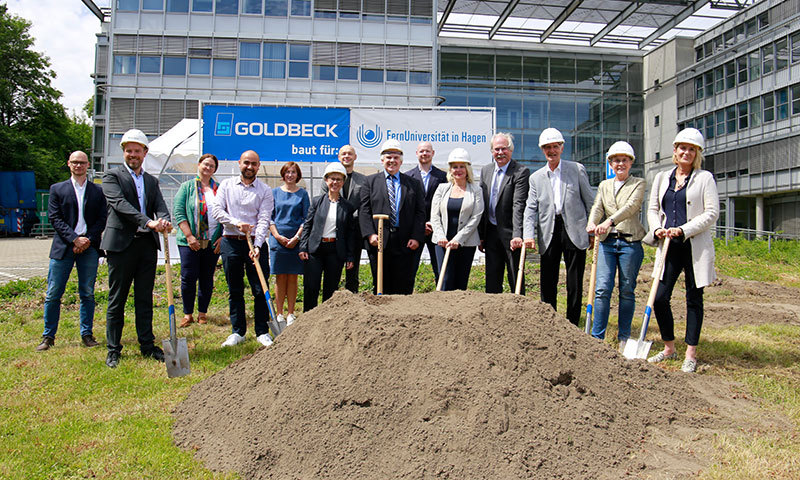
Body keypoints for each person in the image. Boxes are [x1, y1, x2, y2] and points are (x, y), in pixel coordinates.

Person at [645, 128, 719, 373]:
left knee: (693, 298)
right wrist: (657, 229)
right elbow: (653, 209)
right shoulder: (662, 177)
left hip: (693, 246)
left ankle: (690, 353)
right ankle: (669, 347)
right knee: (659, 297)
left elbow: (712, 213)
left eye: (691, 149)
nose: (686, 152)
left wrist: (683, 229)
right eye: (682, 148)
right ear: (675, 151)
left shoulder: (705, 178)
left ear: (697, 153)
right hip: (669, 246)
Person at [101, 129, 172, 368]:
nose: (133, 155)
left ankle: (147, 345)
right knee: (117, 299)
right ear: (124, 152)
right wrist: (148, 221)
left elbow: (160, 205)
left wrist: (163, 220)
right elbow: (119, 204)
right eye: (129, 151)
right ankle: (113, 349)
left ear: (145, 153)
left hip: (146, 246)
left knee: (144, 298)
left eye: (137, 151)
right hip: (121, 245)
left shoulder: (151, 181)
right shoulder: (112, 176)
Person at [37, 151, 107, 351]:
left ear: (88, 165)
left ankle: (87, 334)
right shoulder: (57, 189)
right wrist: (74, 239)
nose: (78, 166)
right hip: (64, 247)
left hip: (89, 247)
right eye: (75, 162)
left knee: (87, 293)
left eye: (82, 163)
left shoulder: (97, 191)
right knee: (53, 293)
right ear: (69, 164)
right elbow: (55, 217)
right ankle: (48, 336)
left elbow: (102, 218)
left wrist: (87, 239)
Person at [523, 128, 594, 326]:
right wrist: (528, 235)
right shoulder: (536, 178)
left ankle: (572, 323)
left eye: (555, 146)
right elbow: (530, 209)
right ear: (542, 150)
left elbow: (590, 201)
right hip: (549, 231)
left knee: (574, 281)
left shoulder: (576, 170)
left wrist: (592, 229)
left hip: (575, 230)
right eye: (547, 147)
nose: (552, 151)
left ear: (562, 148)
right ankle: (550, 323)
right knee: (547, 280)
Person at [585, 142, 646, 350]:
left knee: (627, 290)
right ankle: (597, 337)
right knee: (602, 289)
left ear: (630, 163)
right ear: (610, 164)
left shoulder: (638, 183)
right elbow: (597, 207)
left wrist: (609, 222)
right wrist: (592, 223)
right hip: (607, 243)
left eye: (624, 160)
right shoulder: (604, 185)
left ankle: (624, 337)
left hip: (629, 242)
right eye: (616, 160)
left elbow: (631, 207)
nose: (620, 164)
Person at [212, 150, 275, 348]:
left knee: (260, 288)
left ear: (258, 166)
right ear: (239, 163)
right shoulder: (226, 185)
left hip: (255, 244)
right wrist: (236, 222)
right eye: (246, 162)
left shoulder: (265, 190)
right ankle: (237, 332)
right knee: (235, 289)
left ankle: (262, 331)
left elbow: (264, 218)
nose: (250, 167)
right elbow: (217, 211)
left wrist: (257, 245)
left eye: (254, 164)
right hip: (231, 242)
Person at [359, 139, 426, 295]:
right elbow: (364, 210)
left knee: (403, 284)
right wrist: (370, 234)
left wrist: (416, 237)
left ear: (401, 161)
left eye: (396, 157)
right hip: (379, 241)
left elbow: (420, 212)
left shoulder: (413, 184)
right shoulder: (370, 182)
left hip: (405, 242)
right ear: (382, 160)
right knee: (381, 283)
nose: (392, 161)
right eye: (388, 157)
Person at [173, 153, 223, 328]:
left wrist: (221, 237)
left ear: (214, 170)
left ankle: (203, 313)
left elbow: (226, 214)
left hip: (212, 241)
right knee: (188, 277)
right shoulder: (187, 187)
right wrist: (189, 236)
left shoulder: (219, 189)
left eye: (211, 166)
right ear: (199, 165)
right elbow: (179, 212)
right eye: (205, 164)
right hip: (189, 241)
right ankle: (188, 314)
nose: (208, 168)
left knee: (207, 277)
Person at [299, 163, 357, 310]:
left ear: (343, 182)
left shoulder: (348, 207)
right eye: (332, 179)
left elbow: (350, 234)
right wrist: (303, 247)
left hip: (335, 251)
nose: (335, 182)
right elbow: (308, 225)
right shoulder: (317, 201)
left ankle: (326, 319)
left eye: (338, 179)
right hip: (316, 250)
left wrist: (350, 256)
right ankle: (308, 317)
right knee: (311, 286)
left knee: (330, 289)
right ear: (326, 180)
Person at [479, 132, 530, 293]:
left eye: (504, 149)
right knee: (492, 279)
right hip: (491, 233)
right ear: (492, 151)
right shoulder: (486, 171)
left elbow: (518, 204)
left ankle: (518, 307)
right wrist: (481, 235)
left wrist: (517, 235)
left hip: (511, 234)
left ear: (511, 150)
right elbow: (482, 205)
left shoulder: (520, 171)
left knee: (515, 278)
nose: (500, 152)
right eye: (496, 149)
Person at [430, 148, 484, 291]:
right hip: (442, 243)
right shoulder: (442, 188)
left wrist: (458, 239)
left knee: (461, 282)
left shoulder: (476, 190)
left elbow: (476, 217)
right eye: (455, 167)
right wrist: (441, 236)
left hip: (466, 243)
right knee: (445, 279)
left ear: (467, 169)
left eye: (461, 166)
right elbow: (434, 216)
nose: (458, 170)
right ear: (450, 170)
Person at [268, 161, 310, 326]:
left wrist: (297, 238)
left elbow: (306, 218)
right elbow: (270, 217)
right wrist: (277, 236)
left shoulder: (303, 194)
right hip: (278, 240)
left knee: (293, 276)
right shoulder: (274, 193)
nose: (290, 175)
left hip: (296, 240)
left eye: (293, 172)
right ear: (283, 174)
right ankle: (279, 313)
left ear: (298, 175)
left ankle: (291, 313)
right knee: (280, 277)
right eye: (287, 172)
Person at [405, 141, 448, 283]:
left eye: (427, 151)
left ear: (433, 153)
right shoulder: (407, 177)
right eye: (422, 151)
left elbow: (445, 204)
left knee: (440, 269)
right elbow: (407, 206)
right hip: (414, 230)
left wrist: (432, 223)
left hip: (437, 230)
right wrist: (420, 225)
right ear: (417, 153)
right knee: (410, 269)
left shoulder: (443, 177)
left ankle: (442, 295)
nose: (424, 154)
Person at [327, 145, 367, 293]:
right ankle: (332, 297)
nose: (346, 156)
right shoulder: (330, 179)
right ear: (339, 157)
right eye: (343, 154)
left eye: (350, 154)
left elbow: (364, 204)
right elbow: (325, 202)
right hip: (334, 230)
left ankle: (353, 297)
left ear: (355, 157)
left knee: (353, 269)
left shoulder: (363, 180)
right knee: (333, 268)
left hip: (355, 230)